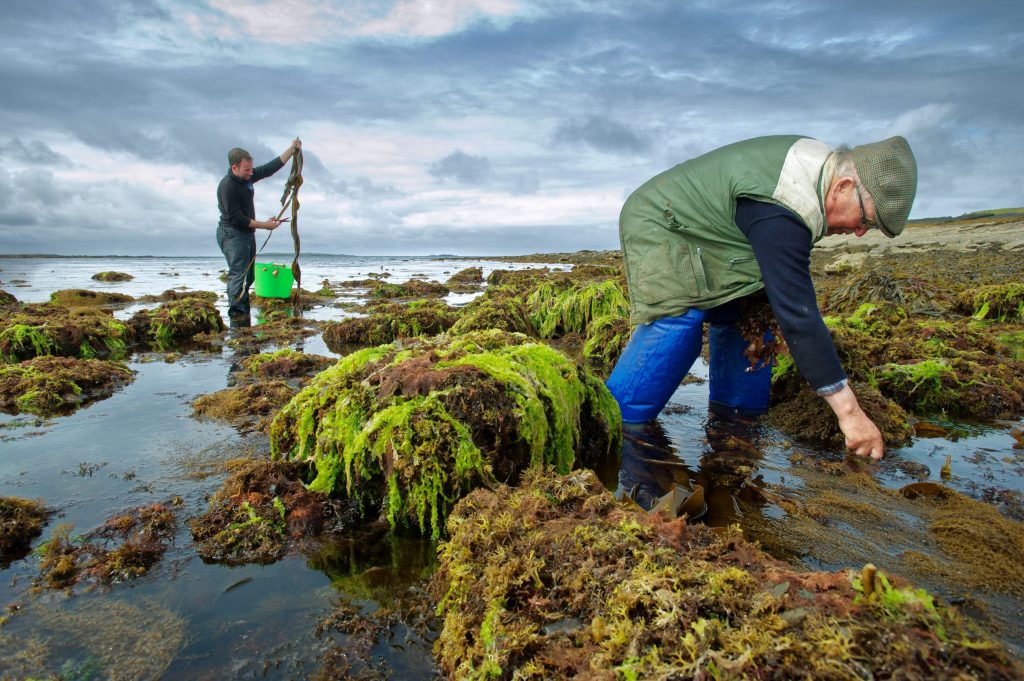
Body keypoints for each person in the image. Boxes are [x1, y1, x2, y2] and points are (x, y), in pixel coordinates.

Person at [606, 135, 917, 461]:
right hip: (664, 220)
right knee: (679, 323)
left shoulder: (816, 178)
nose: (859, 232)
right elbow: (798, 315)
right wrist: (850, 413)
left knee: (748, 320)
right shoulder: (784, 204)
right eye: (866, 220)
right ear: (843, 187)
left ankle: (733, 427)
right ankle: (617, 432)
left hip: (723, 235)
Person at [216, 138, 302, 326]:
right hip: (231, 234)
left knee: (250, 275)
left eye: (250, 169)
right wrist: (265, 225)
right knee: (239, 273)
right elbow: (236, 218)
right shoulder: (228, 187)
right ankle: (237, 317)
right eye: (246, 170)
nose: (250, 173)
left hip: (246, 234)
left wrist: (292, 149)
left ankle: (243, 313)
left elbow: (269, 168)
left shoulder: (245, 177)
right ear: (234, 168)